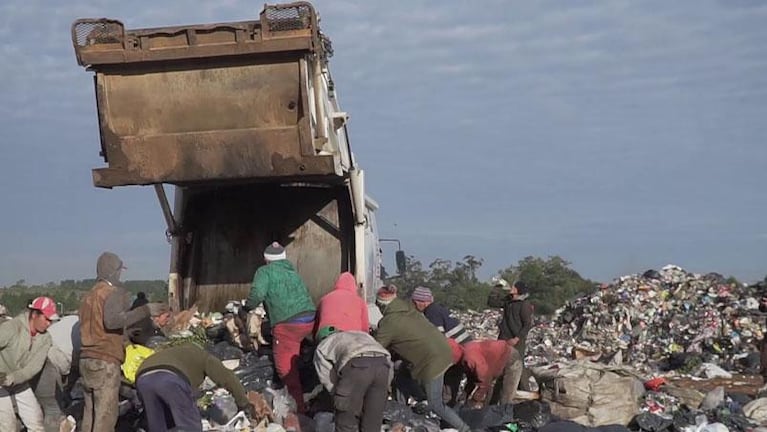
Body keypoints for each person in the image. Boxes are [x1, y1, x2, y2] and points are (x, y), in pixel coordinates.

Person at [374, 287, 471, 432]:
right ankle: (403, 415)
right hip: (444, 352)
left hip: (432, 361)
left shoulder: (389, 322)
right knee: (402, 377)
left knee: (436, 404)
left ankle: (465, 429)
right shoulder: (409, 310)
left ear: (381, 305)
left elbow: (375, 348)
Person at [79, 251, 150, 432]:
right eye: (119, 271)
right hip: (104, 360)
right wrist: (145, 310)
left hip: (86, 359)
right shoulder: (111, 292)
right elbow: (112, 321)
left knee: (90, 414)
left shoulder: (88, 295)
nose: (120, 275)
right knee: (105, 416)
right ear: (113, 272)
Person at [246, 241, 316, 413]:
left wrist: (246, 307)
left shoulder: (265, 271)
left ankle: (299, 409)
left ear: (266, 259)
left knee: (285, 368)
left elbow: (257, 294)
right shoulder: (292, 272)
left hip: (288, 325)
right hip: (310, 319)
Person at [136, 343, 258, 432]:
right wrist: (244, 403)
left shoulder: (174, 354)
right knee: (190, 425)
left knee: (158, 426)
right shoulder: (203, 356)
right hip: (170, 378)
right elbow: (227, 378)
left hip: (142, 379)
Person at [314, 326, 392, 432]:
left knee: (346, 421)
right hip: (383, 365)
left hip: (356, 365)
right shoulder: (360, 334)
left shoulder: (323, 346)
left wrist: (340, 396)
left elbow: (327, 377)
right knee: (373, 419)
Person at [0, 296, 60, 432]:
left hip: (19, 381)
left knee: (36, 423)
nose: (49, 324)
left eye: (51, 320)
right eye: (46, 319)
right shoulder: (12, 327)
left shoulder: (45, 339)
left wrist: (12, 378)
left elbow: (34, 367)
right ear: (34, 315)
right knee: (7, 426)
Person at [411, 286, 472, 405]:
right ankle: (450, 412)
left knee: (446, 390)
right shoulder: (439, 310)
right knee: (451, 389)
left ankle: (445, 416)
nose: (414, 305)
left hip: (457, 354)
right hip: (465, 351)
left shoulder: (432, 313)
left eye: (414, 302)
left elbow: (438, 341)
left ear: (421, 302)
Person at [33, 314, 80, 432]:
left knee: (40, 405)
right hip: (51, 360)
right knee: (53, 409)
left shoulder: (72, 318)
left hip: (38, 353)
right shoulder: (88, 331)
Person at [457, 339, 523, 408]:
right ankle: (488, 411)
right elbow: (473, 378)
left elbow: (485, 382)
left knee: (505, 399)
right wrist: (464, 395)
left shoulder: (472, 360)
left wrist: (474, 400)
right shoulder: (466, 355)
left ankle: (501, 415)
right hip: (495, 361)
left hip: (511, 359)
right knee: (491, 397)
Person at [495, 279, 534, 392]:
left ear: (518, 290)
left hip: (517, 340)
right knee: (499, 364)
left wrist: (517, 338)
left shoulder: (524, 305)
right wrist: (496, 288)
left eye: (514, 287)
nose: (511, 287)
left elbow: (527, 325)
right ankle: (497, 393)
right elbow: (492, 302)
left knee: (518, 365)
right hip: (504, 337)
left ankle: (525, 392)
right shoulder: (508, 301)